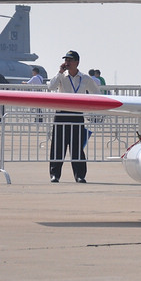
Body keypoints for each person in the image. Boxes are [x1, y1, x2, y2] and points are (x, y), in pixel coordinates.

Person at [47, 50, 100, 183]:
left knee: (76, 146)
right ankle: (55, 174)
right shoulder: (61, 76)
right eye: (66, 60)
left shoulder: (85, 78)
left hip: (76, 114)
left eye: (70, 60)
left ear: (77, 62)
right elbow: (50, 87)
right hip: (61, 114)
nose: (67, 62)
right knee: (58, 146)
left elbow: (96, 92)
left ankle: (80, 175)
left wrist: (88, 105)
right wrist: (59, 72)